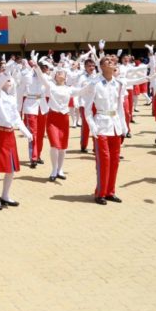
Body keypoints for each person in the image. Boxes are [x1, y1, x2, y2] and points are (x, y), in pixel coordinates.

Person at [79, 50, 129, 205]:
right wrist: (92, 127)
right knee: (104, 160)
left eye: (112, 60)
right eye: (107, 60)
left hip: (114, 125)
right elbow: (87, 109)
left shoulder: (118, 84)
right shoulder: (94, 84)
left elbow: (120, 107)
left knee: (115, 160)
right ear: (101, 66)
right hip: (100, 124)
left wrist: (124, 126)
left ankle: (110, 191)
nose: (111, 61)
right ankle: (100, 192)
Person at [31, 52, 83, 182]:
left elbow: (84, 89)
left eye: (63, 73)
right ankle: (54, 169)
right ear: (55, 76)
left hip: (64, 119)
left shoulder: (69, 89)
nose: (61, 74)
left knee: (63, 146)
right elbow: (41, 77)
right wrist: (36, 64)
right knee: (54, 145)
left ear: (66, 77)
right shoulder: (51, 86)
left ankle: (60, 169)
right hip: (53, 118)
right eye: (58, 73)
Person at [0, 66, 33, 210]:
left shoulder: (11, 97)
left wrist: (26, 132)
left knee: (11, 169)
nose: (10, 81)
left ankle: (5, 195)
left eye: (10, 80)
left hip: (10, 134)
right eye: (7, 80)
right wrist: (5, 73)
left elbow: (16, 118)